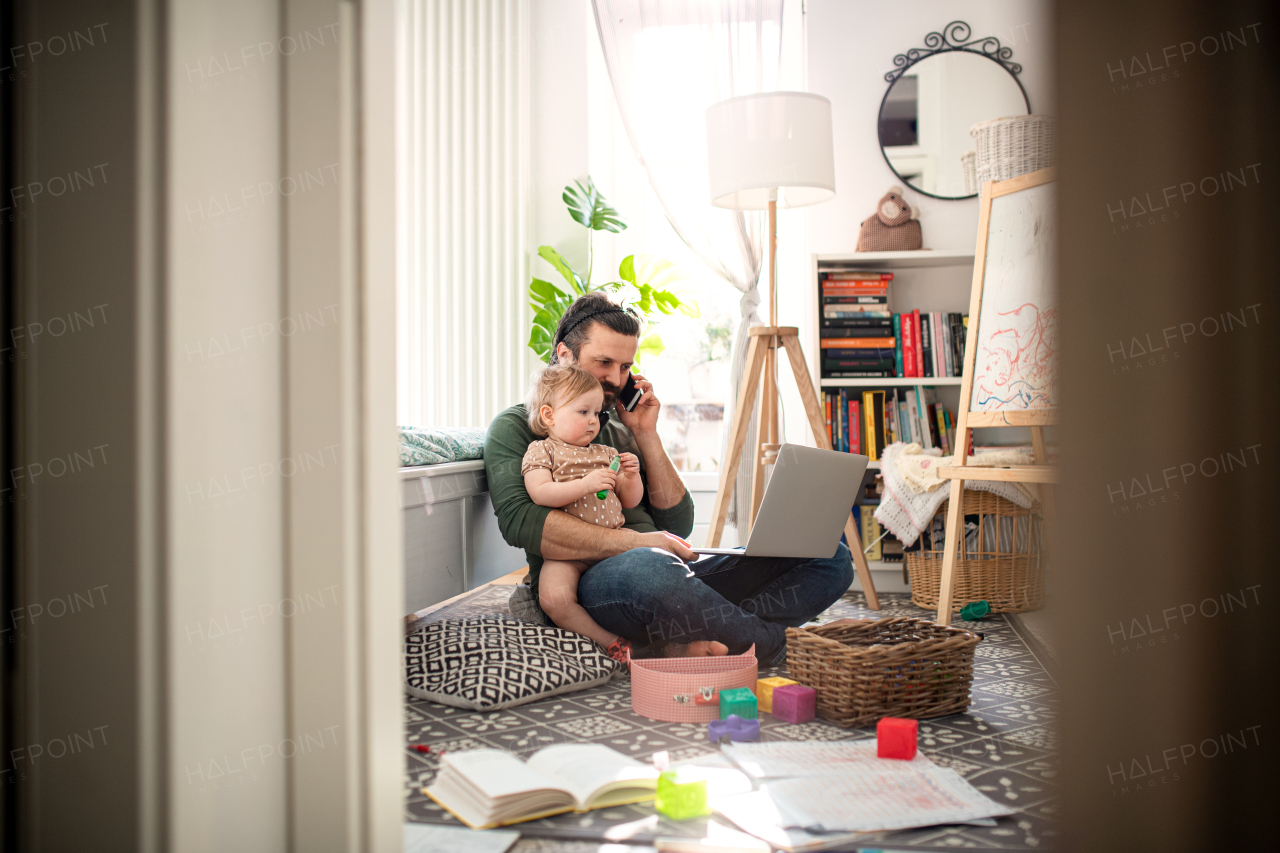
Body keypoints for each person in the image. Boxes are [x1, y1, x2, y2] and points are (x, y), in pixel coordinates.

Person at [484, 292, 854, 664]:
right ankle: (774, 647)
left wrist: (646, 433)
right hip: (598, 581)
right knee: (651, 568)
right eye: (604, 362)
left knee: (829, 557)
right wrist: (636, 543)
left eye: (626, 367)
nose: (616, 379)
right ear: (565, 354)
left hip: (670, 580)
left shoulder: (617, 429)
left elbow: (678, 521)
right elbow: (521, 523)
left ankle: (705, 634)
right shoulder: (517, 427)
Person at [520, 363, 649, 664]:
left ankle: (658, 635)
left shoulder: (606, 454)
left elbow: (630, 501)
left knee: (649, 575)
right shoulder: (542, 451)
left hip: (614, 544)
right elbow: (540, 493)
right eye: (583, 412)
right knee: (553, 599)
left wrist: (631, 477)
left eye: (597, 414)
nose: (594, 422)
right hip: (566, 553)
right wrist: (585, 484)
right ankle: (611, 643)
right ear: (549, 415)